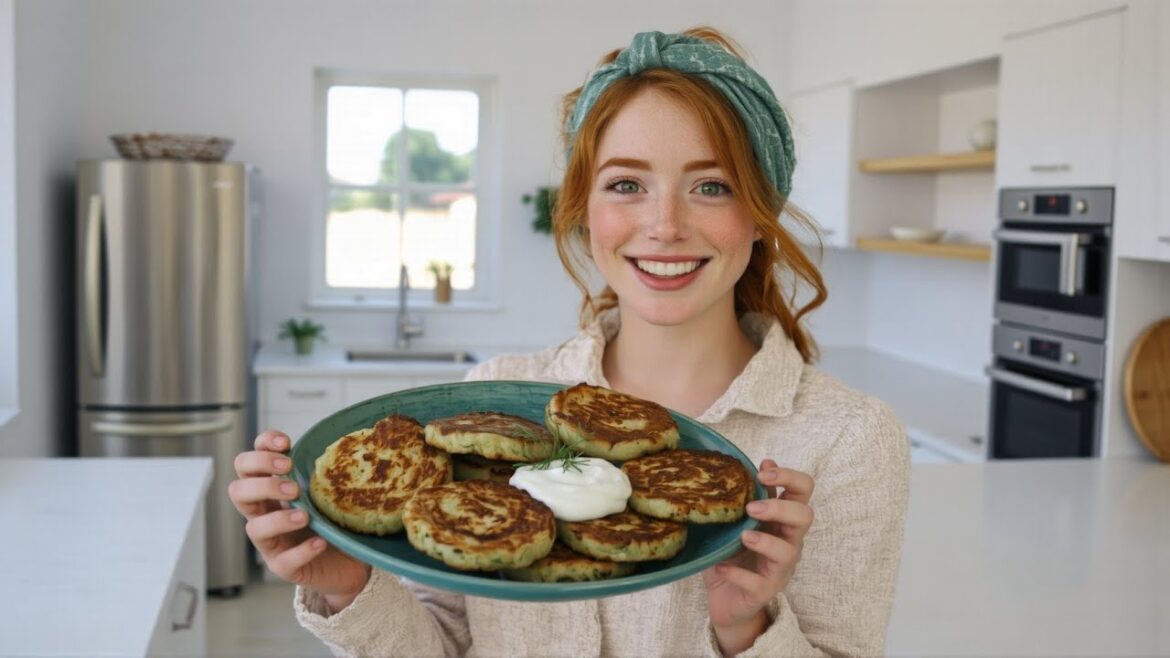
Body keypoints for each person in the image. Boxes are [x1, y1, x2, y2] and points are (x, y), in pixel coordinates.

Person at [229, 27, 909, 657]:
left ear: (760, 215)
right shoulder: (494, 395)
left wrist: (747, 629)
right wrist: (349, 585)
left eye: (711, 185)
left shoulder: (847, 440)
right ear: (586, 209)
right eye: (626, 184)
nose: (665, 224)